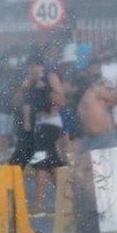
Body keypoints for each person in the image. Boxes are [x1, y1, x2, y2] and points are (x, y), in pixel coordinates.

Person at [21, 58, 66, 215]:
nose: (32, 69)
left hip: (51, 124)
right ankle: (66, 202)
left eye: (34, 66)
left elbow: (61, 98)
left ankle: (39, 205)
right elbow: (23, 101)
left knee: (40, 163)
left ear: (39, 65)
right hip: (40, 125)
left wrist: (47, 90)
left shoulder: (50, 77)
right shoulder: (31, 82)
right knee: (53, 165)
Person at [78, 62, 117, 152]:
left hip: (105, 137)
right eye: (90, 72)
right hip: (91, 138)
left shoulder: (98, 90)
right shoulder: (87, 94)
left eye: (95, 71)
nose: (92, 73)